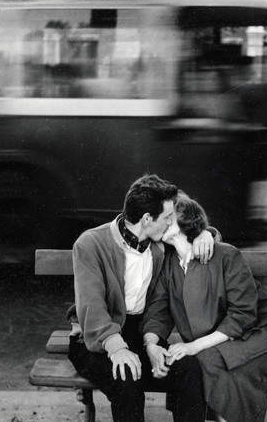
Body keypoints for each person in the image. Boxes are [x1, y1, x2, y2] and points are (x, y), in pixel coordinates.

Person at [68, 174, 217, 422]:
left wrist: (206, 235)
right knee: (127, 378)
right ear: (147, 219)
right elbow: (92, 308)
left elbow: (191, 222)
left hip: (139, 335)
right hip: (94, 340)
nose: (172, 223)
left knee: (188, 369)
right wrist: (117, 349)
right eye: (168, 218)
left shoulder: (158, 245)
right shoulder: (91, 244)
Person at [142, 196, 267, 422]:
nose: (160, 222)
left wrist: (193, 346)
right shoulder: (170, 263)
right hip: (220, 340)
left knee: (205, 361)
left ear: (182, 222)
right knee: (191, 363)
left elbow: (243, 315)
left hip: (259, 334)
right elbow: (159, 312)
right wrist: (151, 343)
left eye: (166, 218)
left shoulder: (225, 254)